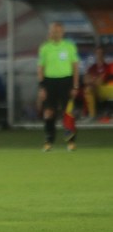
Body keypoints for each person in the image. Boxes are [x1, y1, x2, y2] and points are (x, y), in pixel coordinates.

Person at [38, 22, 80, 151]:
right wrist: (41, 86)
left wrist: (75, 85)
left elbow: (75, 66)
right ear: (50, 32)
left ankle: (70, 141)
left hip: (66, 82)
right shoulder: (45, 48)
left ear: (62, 32)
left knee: (68, 112)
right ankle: (49, 140)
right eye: (53, 30)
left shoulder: (69, 46)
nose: (55, 32)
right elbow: (41, 68)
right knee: (49, 112)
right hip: (50, 82)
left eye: (58, 30)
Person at [83, 46, 113, 120]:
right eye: (97, 53)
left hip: (106, 90)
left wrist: (92, 79)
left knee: (90, 88)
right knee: (87, 89)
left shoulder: (108, 66)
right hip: (96, 89)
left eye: (101, 53)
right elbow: (85, 80)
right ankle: (92, 115)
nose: (99, 55)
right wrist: (94, 80)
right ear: (95, 54)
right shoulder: (92, 67)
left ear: (104, 54)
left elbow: (100, 81)